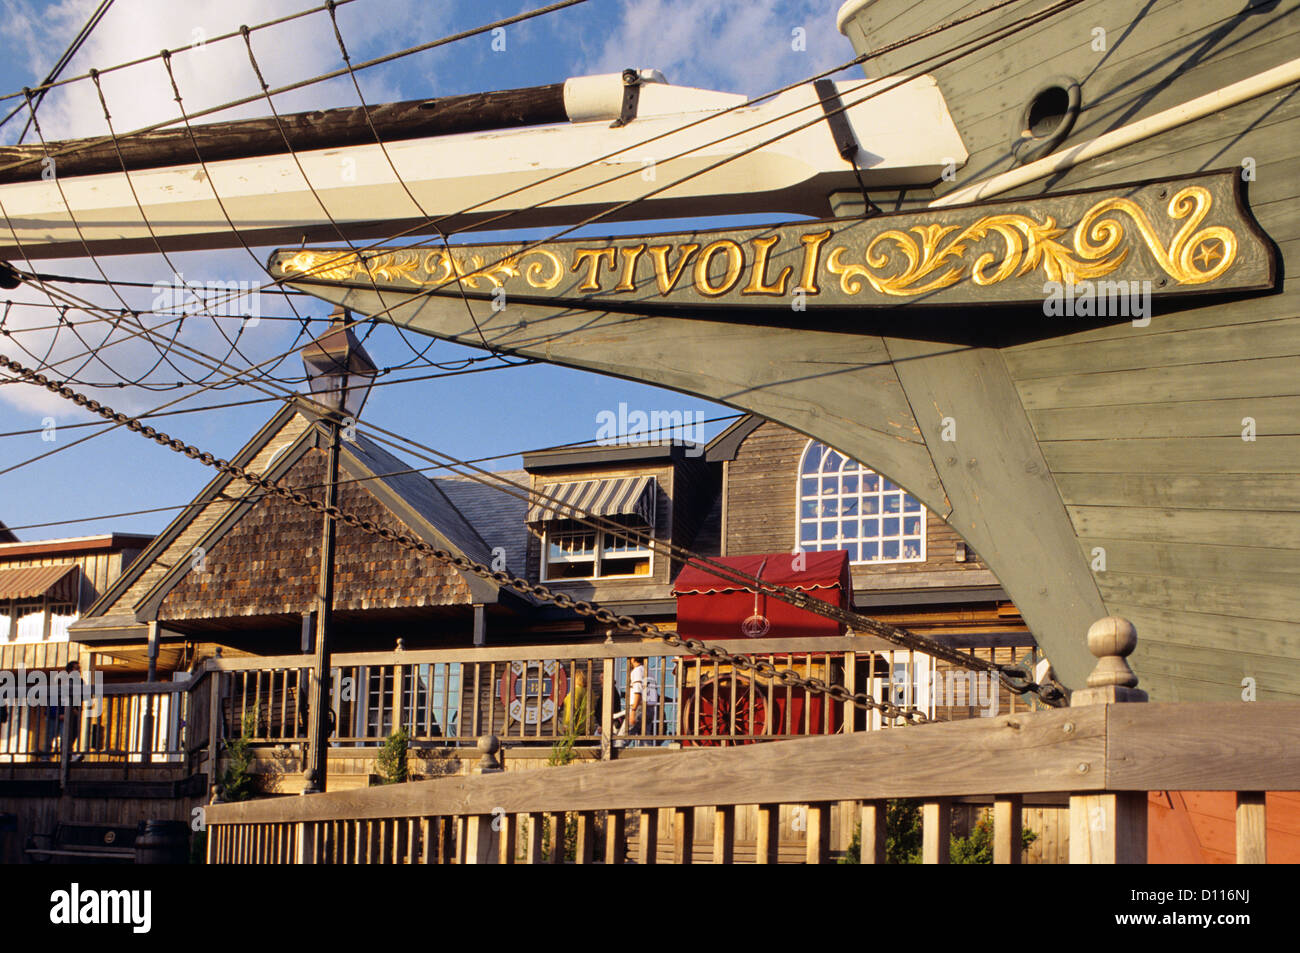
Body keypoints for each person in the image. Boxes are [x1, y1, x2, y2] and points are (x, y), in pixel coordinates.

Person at [562, 668, 591, 734]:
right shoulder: (589, 692)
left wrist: (567, 725)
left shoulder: (576, 692)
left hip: (576, 730)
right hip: (587, 730)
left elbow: (572, 708)